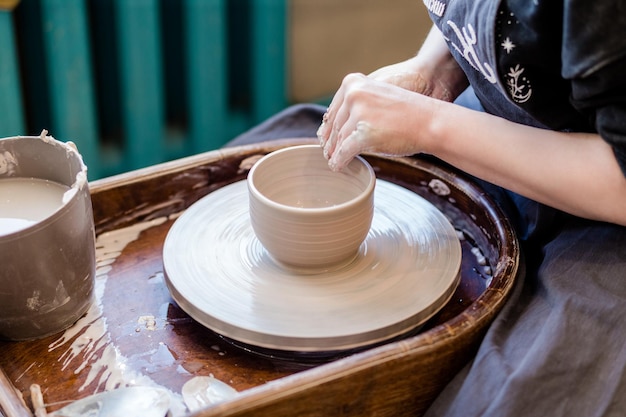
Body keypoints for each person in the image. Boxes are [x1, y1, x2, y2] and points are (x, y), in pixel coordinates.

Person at [227, 1, 626, 415]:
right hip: (502, 119)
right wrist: (433, 70)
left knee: (522, 393)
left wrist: (429, 126)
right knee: (265, 149)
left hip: (602, 202)